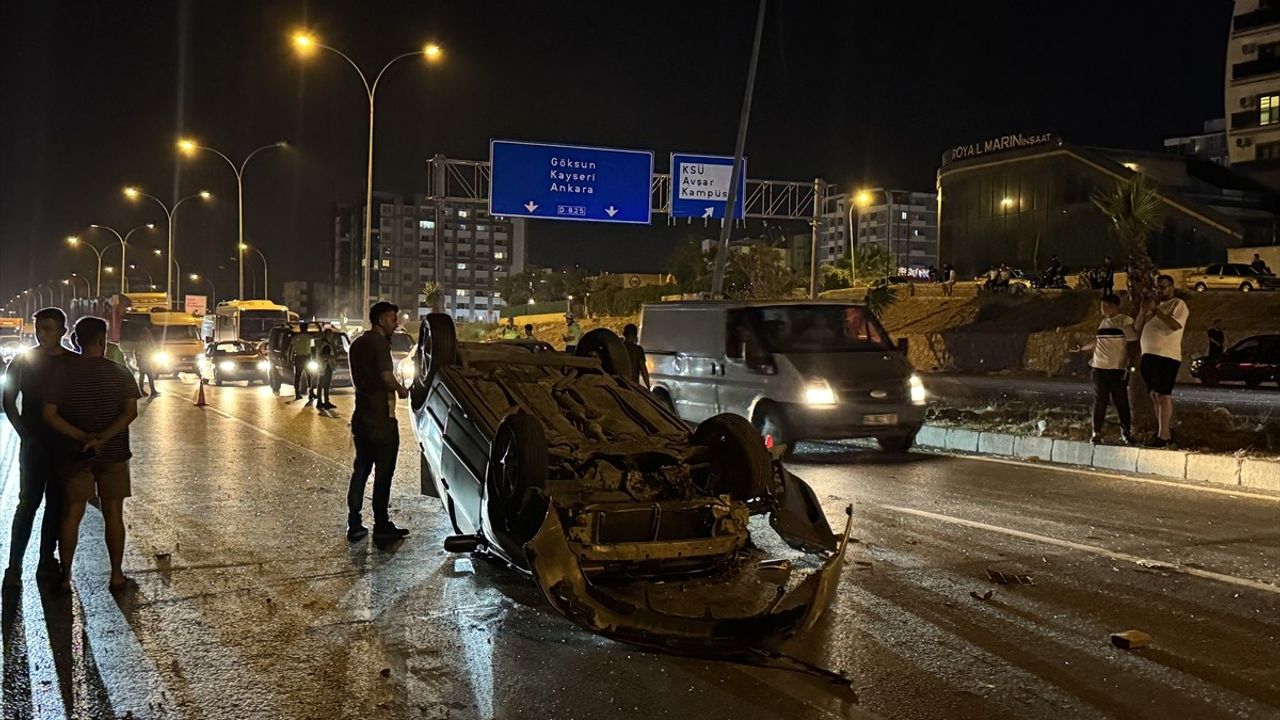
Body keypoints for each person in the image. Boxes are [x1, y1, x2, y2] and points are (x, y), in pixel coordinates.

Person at [42, 316, 141, 591]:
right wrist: (103, 438)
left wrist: (82, 437)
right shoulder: (119, 372)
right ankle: (117, 575)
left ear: (75, 340)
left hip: (75, 455)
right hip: (114, 453)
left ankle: (65, 578)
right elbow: (130, 412)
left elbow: (49, 414)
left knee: (72, 513)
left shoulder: (62, 373)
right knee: (113, 513)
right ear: (102, 340)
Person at [3, 308, 76, 587]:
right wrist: (24, 433)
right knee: (28, 504)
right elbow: (9, 400)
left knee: (57, 504)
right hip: (34, 446)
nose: (42, 334)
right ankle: (14, 567)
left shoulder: (72, 362)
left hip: (64, 447)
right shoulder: (23, 361)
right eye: (39, 328)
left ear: (62, 332)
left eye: (48, 328)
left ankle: (47, 559)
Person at [345, 301, 411, 543]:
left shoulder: (356, 344)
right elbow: (386, 376)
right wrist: (401, 389)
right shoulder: (379, 343)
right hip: (381, 419)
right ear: (382, 320)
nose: (396, 324)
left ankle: (354, 524)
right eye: (394, 319)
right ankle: (381, 525)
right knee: (383, 474)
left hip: (361, 417)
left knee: (360, 470)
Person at [1073, 294, 1135, 445]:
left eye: (1104, 305)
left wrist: (1126, 364)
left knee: (1121, 402)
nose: (1101, 308)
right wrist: (1082, 348)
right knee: (1100, 400)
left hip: (1116, 369)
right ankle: (1096, 432)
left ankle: (1126, 433)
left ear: (1112, 306)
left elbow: (1131, 342)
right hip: (1099, 368)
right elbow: (1098, 341)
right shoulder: (1103, 322)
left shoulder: (1124, 321)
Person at [1135, 275, 1189, 448]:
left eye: (1163, 287)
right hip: (1148, 355)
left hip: (1166, 356)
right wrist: (1144, 311)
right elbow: (1137, 328)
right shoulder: (1154, 308)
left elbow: (1175, 325)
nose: (1160, 290)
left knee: (1163, 395)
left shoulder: (1177, 304)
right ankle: (1161, 431)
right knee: (1154, 395)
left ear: (1172, 288)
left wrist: (1157, 310)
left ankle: (1164, 435)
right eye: (1158, 287)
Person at [313, 328, 338, 410]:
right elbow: (324, 356)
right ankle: (326, 402)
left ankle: (319, 402)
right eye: (330, 335)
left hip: (321, 366)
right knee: (326, 385)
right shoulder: (326, 345)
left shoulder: (320, 343)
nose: (331, 337)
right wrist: (333, 357)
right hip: (326, 366)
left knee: (320, 385)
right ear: (328, 335)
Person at [621, 323, 650, 388]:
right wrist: (648, 386)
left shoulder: (619, 348)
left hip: (619, 384)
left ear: (624, 334)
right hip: (633, 386)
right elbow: (643, 370)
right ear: (635, 335)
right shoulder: (638, 350)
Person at [290, 322, 313, 401]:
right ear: (306, 328)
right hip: (307, 358)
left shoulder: (295, 337)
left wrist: (290, 359)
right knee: (309, 376)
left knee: (298, 376)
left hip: (298, 358)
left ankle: (297, 393)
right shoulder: (309, 337)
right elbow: (313, 346)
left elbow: (291, 347)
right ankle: (311, 393)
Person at [136, 326, 159, 397]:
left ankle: (149, 390)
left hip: (145, 361)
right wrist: (140, 360)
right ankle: (143, 390)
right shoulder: (142, 343)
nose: (149, 335)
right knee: (146, 376)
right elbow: (138, 352)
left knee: (146, 376)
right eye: (147, 334)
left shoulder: (146, 342)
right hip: (144, 361)